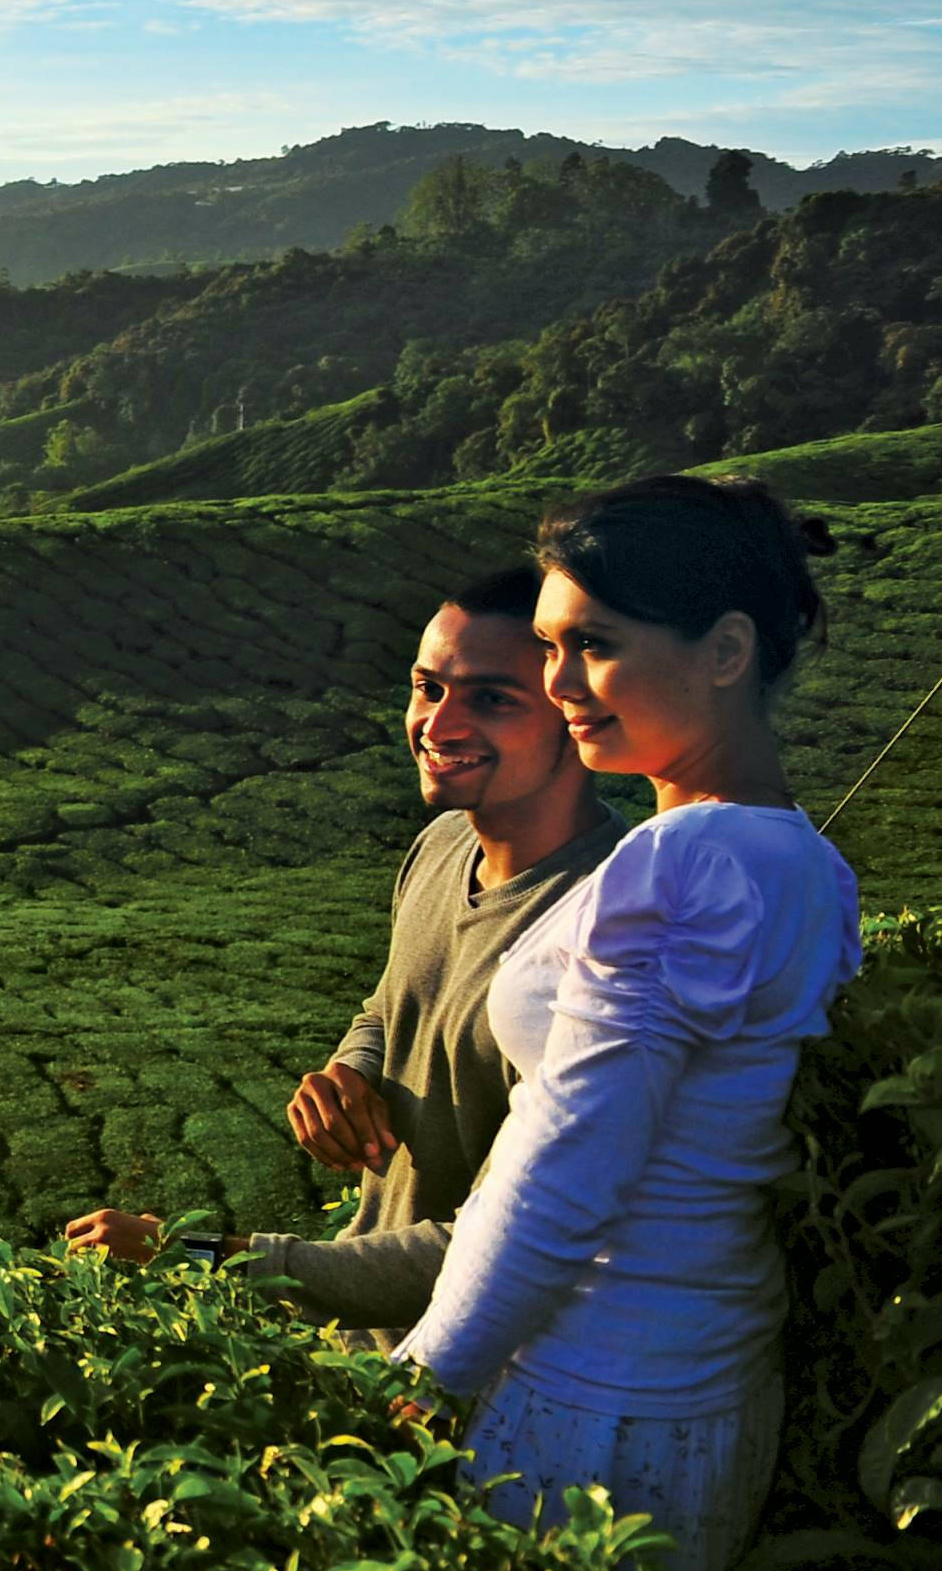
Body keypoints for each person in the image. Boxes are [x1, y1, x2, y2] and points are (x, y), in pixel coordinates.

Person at [395, 473, 855, 1571]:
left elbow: (568, 1162)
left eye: (592, 646)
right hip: (688, 1377)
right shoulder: (800, 857)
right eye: (549, 651)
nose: (558, 687)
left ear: (726, 650)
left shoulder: (681, 863)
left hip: (593, 1398)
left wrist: (423, 1375)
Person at [62, 566, 618, 1333]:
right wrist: (350, 1074)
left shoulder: (605, 925)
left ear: (575, 711)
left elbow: (498, 1254)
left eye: (490, 699)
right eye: (427, 688)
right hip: (370, 1355)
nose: (438, 724)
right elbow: (389, 1009)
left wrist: (186, 1253)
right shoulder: (440, 846)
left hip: (481, 1388)